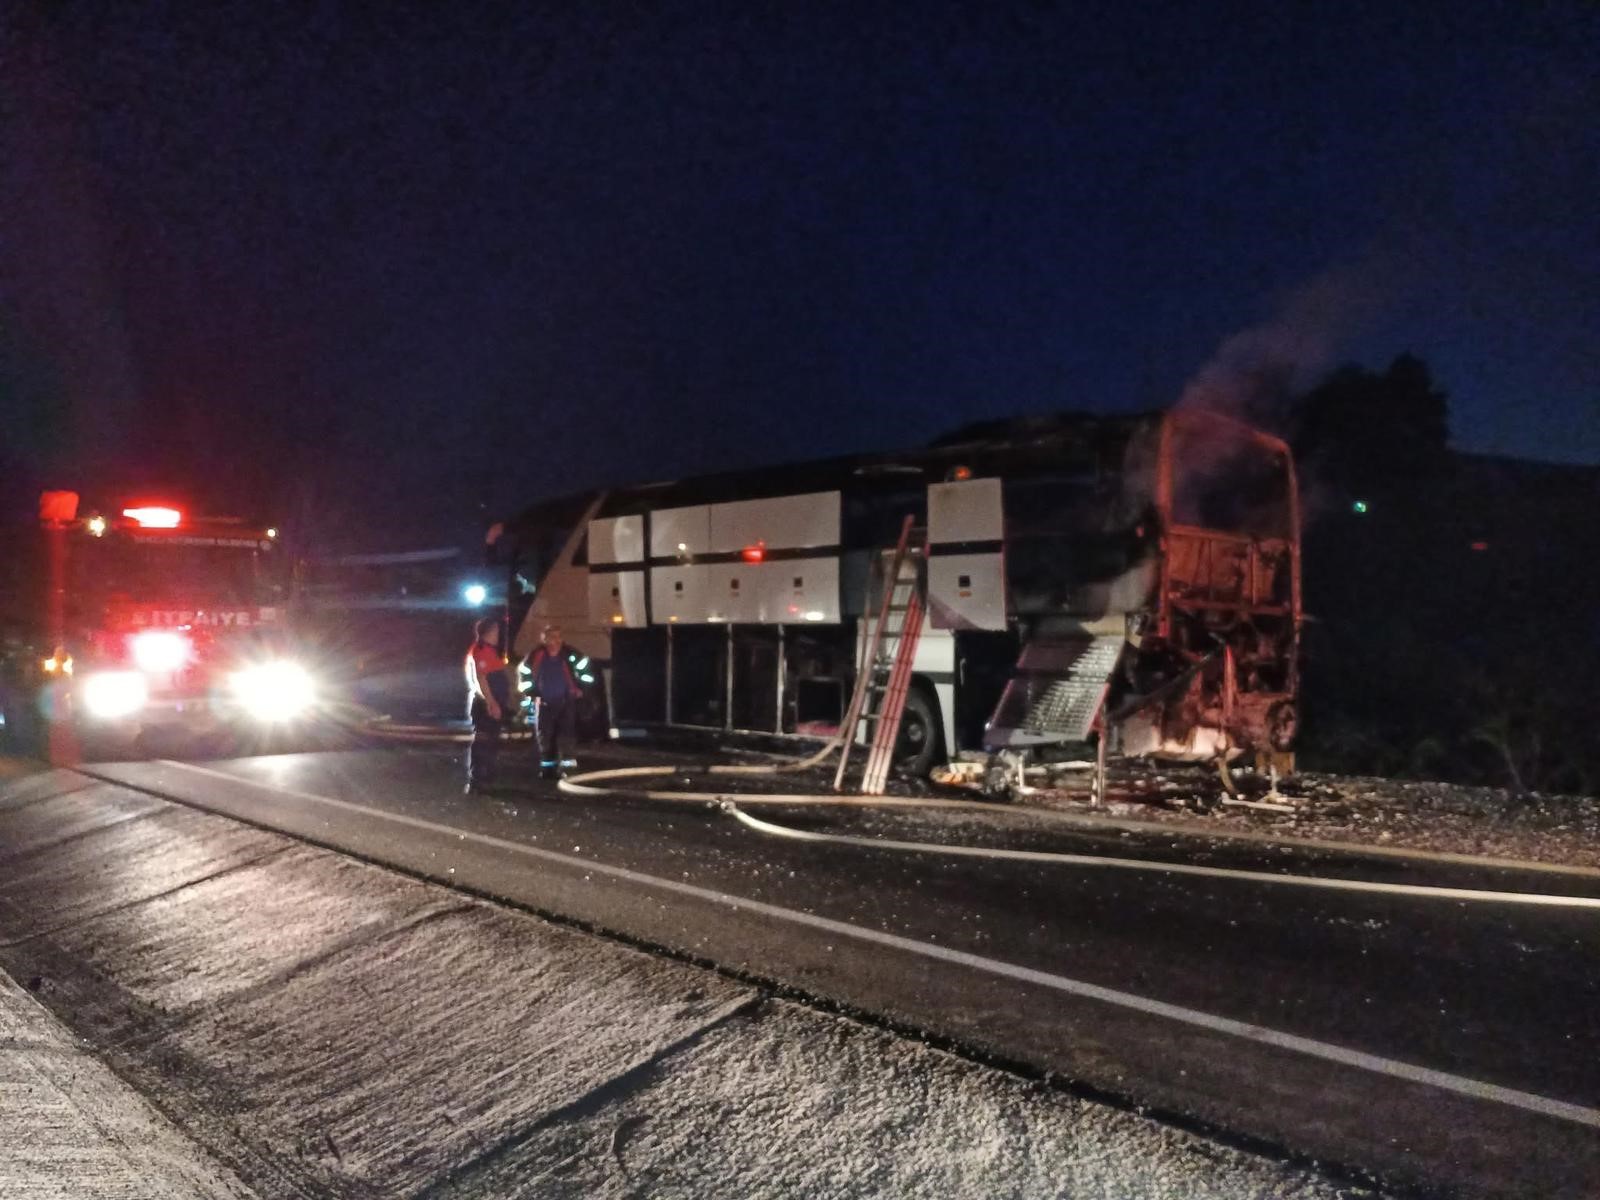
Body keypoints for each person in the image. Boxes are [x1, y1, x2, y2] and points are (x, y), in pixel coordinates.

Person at [522, 623, 581, 779]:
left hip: (565, 702)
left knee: (566, 736)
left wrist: (581, 689)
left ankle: (568, 770)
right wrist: (532, 693)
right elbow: (525, 674)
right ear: (545, 639)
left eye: (558, 636)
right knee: (545, 738)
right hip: (544, 704)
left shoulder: (570, 654)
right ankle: (548, 770)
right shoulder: (536, 655)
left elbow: (585, 670)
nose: (556, 640)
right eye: (552, 637)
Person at [464, 616, 510, 795]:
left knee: (490, 741)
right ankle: (479, 780)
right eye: (496, 631)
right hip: (485, 705)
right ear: (488, 633)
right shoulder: (481, 650)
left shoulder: (489, 650)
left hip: (490, 703)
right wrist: (492, 703)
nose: (498, 634)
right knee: (483, 742)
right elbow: (482, 679)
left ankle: (486, 777)